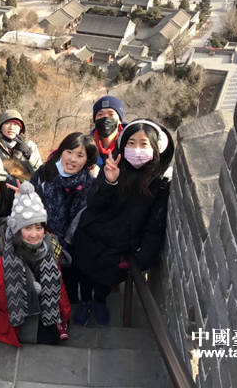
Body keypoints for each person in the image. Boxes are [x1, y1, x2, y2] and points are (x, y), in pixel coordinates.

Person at [71, 119, 175, 327]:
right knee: (84, 274)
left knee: (105, 280)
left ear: (156, 148)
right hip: (90, 235)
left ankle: (100, 301)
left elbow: (154, 225)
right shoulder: (113, 166)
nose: (137, 149)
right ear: (123, 145)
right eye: (131, 143)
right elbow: (93, 204)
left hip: (120, 245)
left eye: (144, 144)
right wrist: (109, 182)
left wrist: (142, 259)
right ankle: (85, 302)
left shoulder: (159, 182)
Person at [0, 182, 72, 347]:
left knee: (52, 338)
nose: (34, 235)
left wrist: (64, 314)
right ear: (17, 229)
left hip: (41, 307)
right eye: (27, 228)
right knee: (45, 340)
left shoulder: (49, 246)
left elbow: (58, 282)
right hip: (9, 316)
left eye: (38, 227)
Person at [30, 132, 98, 303]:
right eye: (69, 151)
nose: (72, 159)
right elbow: (30, 203)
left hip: (77, 244)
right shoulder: (45, 174)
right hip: (48, 241)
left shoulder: (90, 185)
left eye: (80, 155)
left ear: (87, 160)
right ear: (61, 151)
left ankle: (77, 303)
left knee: (74, 282)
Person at [0, 109, 43, 175]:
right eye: (7, 123)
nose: (11, 127)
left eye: (15, 124)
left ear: (20, 129)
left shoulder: (31, 146)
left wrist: (28, 154)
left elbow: (41, 175)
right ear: (0, 128)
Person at [90, 96, 127, 169]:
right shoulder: (87, 147)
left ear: (119, 120)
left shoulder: (129, 145)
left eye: (111, 114)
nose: (105, 118)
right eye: (100, 114)